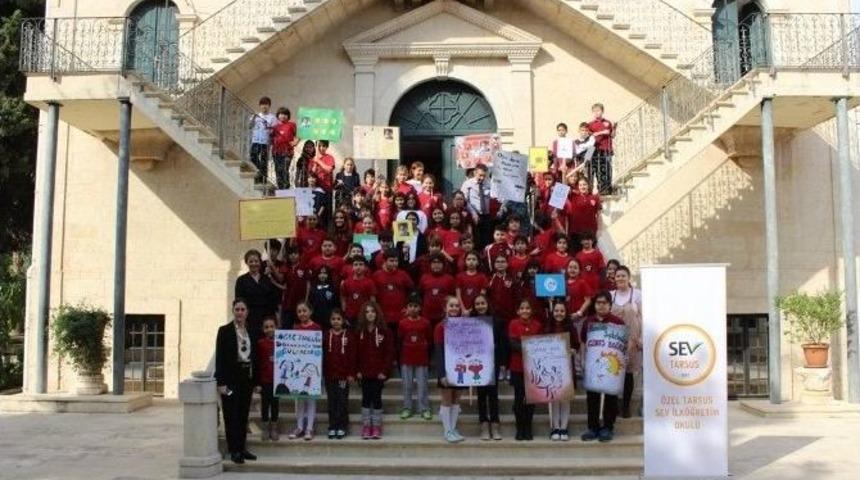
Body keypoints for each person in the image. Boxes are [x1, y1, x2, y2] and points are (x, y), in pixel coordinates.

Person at [215, 299, 257, 464]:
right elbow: (220, 357)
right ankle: (234, 450)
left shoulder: (251, 330)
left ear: (247, 312)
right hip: (230, 378)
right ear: (233, 311)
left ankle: (242, 447)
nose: (240, 312)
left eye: (242, 309)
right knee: (231, 413)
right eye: (237, 309)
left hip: (246, 376)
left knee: (243, 413)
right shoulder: (224, 331)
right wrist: (221, 382)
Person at [580, 290, 625, 443]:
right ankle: (592, 427)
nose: (601, 306)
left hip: (611, 365)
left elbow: (622, 346)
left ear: (610, 305)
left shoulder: (617, 322)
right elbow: (583, 343)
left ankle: (607, 427)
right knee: (592, 396)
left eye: (604, 303)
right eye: (598, 303)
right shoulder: (588, 322)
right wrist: (583, 360)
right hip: (593, 364)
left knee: (610, 396)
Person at [356, 301, 394, 439]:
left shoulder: (385, 331)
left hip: (379, 373)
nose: (370, 314)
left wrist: (385, 371)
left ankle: (377, 426)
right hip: (364, 372)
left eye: (372, 311)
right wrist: (357, 370)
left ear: (377, 313)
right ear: (363, 314)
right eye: (367, 312)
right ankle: (366, 426)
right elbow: (355, 353)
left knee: (376, 399)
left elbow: (389, 353)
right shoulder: (359, 331)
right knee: (366, 399)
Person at [610, 266, 642, 418]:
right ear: (614, 278)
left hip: (632, 341)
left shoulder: (637, 295)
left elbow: (643, 317)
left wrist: (641, 338)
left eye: (623, 276)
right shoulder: (610, 295)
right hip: (613, 340)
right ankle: (614, 402)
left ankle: (626, 405)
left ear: (629, 278)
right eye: (618, 276)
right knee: (614, 370)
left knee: (628, 373)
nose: (620, 278)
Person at [508, 299, 542, 441]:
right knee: (518, 399)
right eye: (522, 308)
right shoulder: (513, 324)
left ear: (531, 310)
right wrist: (530, 345)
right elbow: (513, 344)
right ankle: (519, 427)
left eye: (528, 308)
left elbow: (540, 344)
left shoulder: (537, 325)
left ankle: (528, 427)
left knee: (530, 400)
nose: (525, 310)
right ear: (518, 311)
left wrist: (525, 343)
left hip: (533, 367)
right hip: (517, 367)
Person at [435, 296, 467, 443]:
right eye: (451, 306)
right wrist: (442, 374)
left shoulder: (465, 326)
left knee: (456, 400)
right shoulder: (441, 327)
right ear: (445, 308)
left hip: (461, 369)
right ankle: (447, 430)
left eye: (456, 306)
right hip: (447, 370)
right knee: (447, 400)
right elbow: (439, 351)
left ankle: (453, 428)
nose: (454, 308)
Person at [472, 294, 502, 441]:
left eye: (482, 303)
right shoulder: (470, 323)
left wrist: (502, 363)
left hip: (493, 362)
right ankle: (483, 424)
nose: (480, 306)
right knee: (481, 395)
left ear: (487, 304)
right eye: (477, 304)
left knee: (493, 394)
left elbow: (502, 343)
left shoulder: (496, 321)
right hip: (476, 363)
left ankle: (495, 424)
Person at [398, 295, 433, 421]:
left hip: (421, 359)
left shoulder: (425, 322)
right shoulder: (402, 323)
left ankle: (424, 408)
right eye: (410, 306)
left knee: (422, 385)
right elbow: (400, 340)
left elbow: (429, 340)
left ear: (420, 308)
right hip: (406, 359)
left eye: (415, 306)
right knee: (407, 385)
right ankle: (407, 408)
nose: (413, 308)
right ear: (406, 308)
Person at [323, 309, 356, 440]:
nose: (336, 321)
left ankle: (342, 426)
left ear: (343, 321)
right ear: (330, 321)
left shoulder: (349, 335)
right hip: (330, 375)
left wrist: (351, 373)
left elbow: (352, 356)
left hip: (343, 375)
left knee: (342, 401)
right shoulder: (326, 335)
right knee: (332, 401)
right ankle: (332, 426)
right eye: (333, 319)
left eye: (338, 319)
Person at [547, 302, 577, 441]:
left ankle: (564, 427)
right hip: (551, 368)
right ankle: (555, 427)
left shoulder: (571, 328)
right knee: (554, 397)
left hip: (566, 366)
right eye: (556, 311)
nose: (559, 313)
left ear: (566, 313)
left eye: (562, 311)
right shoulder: (547, 328)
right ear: (552, 313)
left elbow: (576, 345)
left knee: (565, 397)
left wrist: (572, 350)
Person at [234, 249, 279, 339]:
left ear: (260, 262)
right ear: (247, 263)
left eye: (256, 261)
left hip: (266, 319)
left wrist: (272, 319)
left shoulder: (267, 279)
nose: (254, 264)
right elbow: (239, 301)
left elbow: (273, 299)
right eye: (251, 261)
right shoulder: (241, 280)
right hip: (250, 318)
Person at [372, 249, 415, 336]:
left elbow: (413, 291)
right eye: (391, 261)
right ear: (384, 261)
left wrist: (408, 308)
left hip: (401, 316)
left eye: (396, 261)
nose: (394, 263)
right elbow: (373, 296)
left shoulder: (403, 274)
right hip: (383, 316)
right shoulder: (376, 275)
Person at [256, 316, 280, 442]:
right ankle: (265, 428)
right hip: (265, 381)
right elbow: (258, 364)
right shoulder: (260, 343)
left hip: (278, 381)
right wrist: (258, 382)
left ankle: (274, 428)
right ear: (263, 329)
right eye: (266, 327)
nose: (269, 329)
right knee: (265, 405)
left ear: (276, 327)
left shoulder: (281, 342)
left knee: (275, 405)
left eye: (272, 326)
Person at [460, 164, 493, 249]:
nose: (482, 178)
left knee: (486, 239)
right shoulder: (467, 184)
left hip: (487, 216)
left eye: (484, 176)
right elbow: (464, 200)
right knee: (475, 239)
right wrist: (473, 213)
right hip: (474, 215)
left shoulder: (489, 184)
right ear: (475, 173)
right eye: (480, 175)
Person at [418, 254, 456, 325]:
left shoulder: (449, 279)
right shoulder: (424, 278)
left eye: (439, 262)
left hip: (443, 315)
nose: (436, 265)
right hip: (427, 315)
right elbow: (420, 294)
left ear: (443, 264)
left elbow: (452, 296)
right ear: (430, 264)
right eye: (434, 262)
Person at [587, 103, 615, 194]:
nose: (596, 113)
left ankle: (607, 188)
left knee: (606, 168)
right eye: (594, 111)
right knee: (595, 169)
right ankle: (598, 189)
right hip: (595, 149)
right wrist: (601, 132)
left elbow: (611, 135)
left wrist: (614, 129)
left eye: (598, 110)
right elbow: (589, 137)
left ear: (602, 111)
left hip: (606, 149)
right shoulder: (590, 124)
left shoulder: (607, 122)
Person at [340, 256, 377, 324]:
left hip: (365, 316)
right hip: (350, 316)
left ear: (365, 267)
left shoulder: (369, 282)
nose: (358, 267)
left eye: (361, 264)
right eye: (356, 264)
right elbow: (343, 299)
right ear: (352, 267)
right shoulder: (346, 282)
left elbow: (372, 300)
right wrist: (344, 313)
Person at [249, 96, 276, 184]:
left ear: (269, 106)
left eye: (266, 104)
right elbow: (249, 126)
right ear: (260, 106)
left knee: (264, 160)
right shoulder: (256, 116)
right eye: (262, 104)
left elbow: (274, 130)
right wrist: (253, 118)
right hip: (255, 140)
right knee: (253, 157)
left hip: (265, 142)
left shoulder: (272, 117)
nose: (264, 106)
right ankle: (261, 172)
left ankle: (263, 179)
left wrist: (268, 127)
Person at [271, 107, 298, 189]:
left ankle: (286, 188)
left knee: (284, 169)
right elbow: (271, 138)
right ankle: (280, 188)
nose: (283, 116)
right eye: (281, 114)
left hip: (287, 152)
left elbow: (299, 134)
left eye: (285, 114)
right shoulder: (275, 127)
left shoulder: (292, 125)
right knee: (278, 171)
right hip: (276, 152)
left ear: (288, 116)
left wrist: (296, 142)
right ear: (278, 115)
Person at [455, 251, 488, 315]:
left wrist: (471, 310)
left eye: (474, 259)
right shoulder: (459, 276)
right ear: (465, 262)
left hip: (477, 310)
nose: (471, 261)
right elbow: (458, 295)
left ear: (478, 262)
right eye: (468, 259)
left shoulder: (482, 277)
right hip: (462, 311)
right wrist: (463, 309)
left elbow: (481, 297)